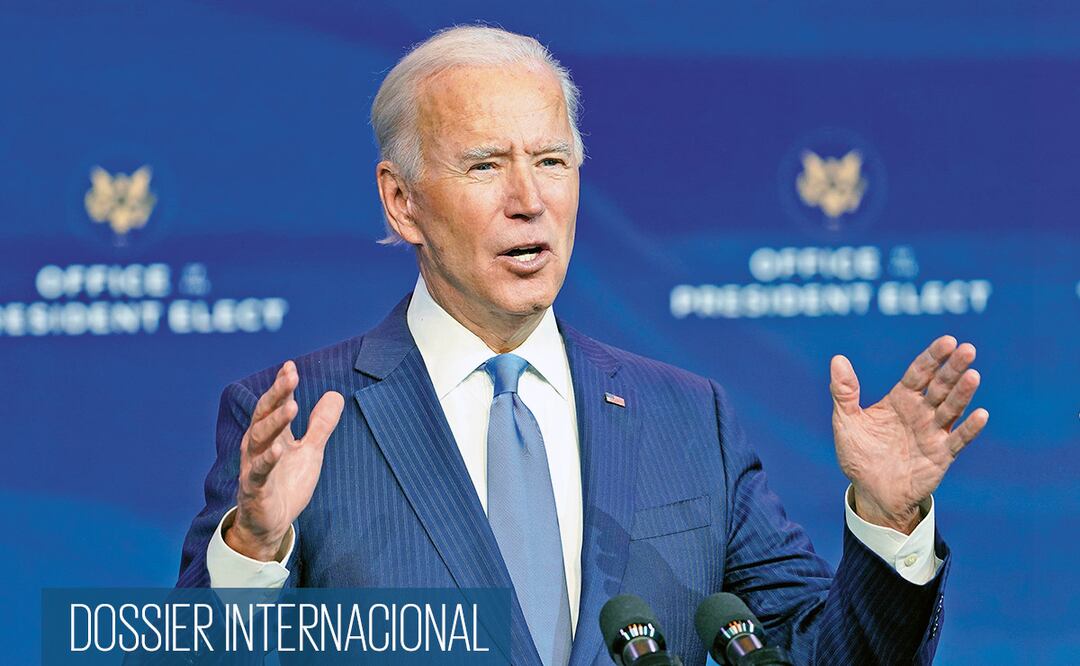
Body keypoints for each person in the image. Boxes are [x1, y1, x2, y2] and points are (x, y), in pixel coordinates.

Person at [177, 25, 988, 665]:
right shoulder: (300, 420)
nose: (528, 200)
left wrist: (887, 522)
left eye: (553, 161)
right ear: (402, 203)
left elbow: (816, 657)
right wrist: (254, 550)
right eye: (486, 165)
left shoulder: (687, 418)